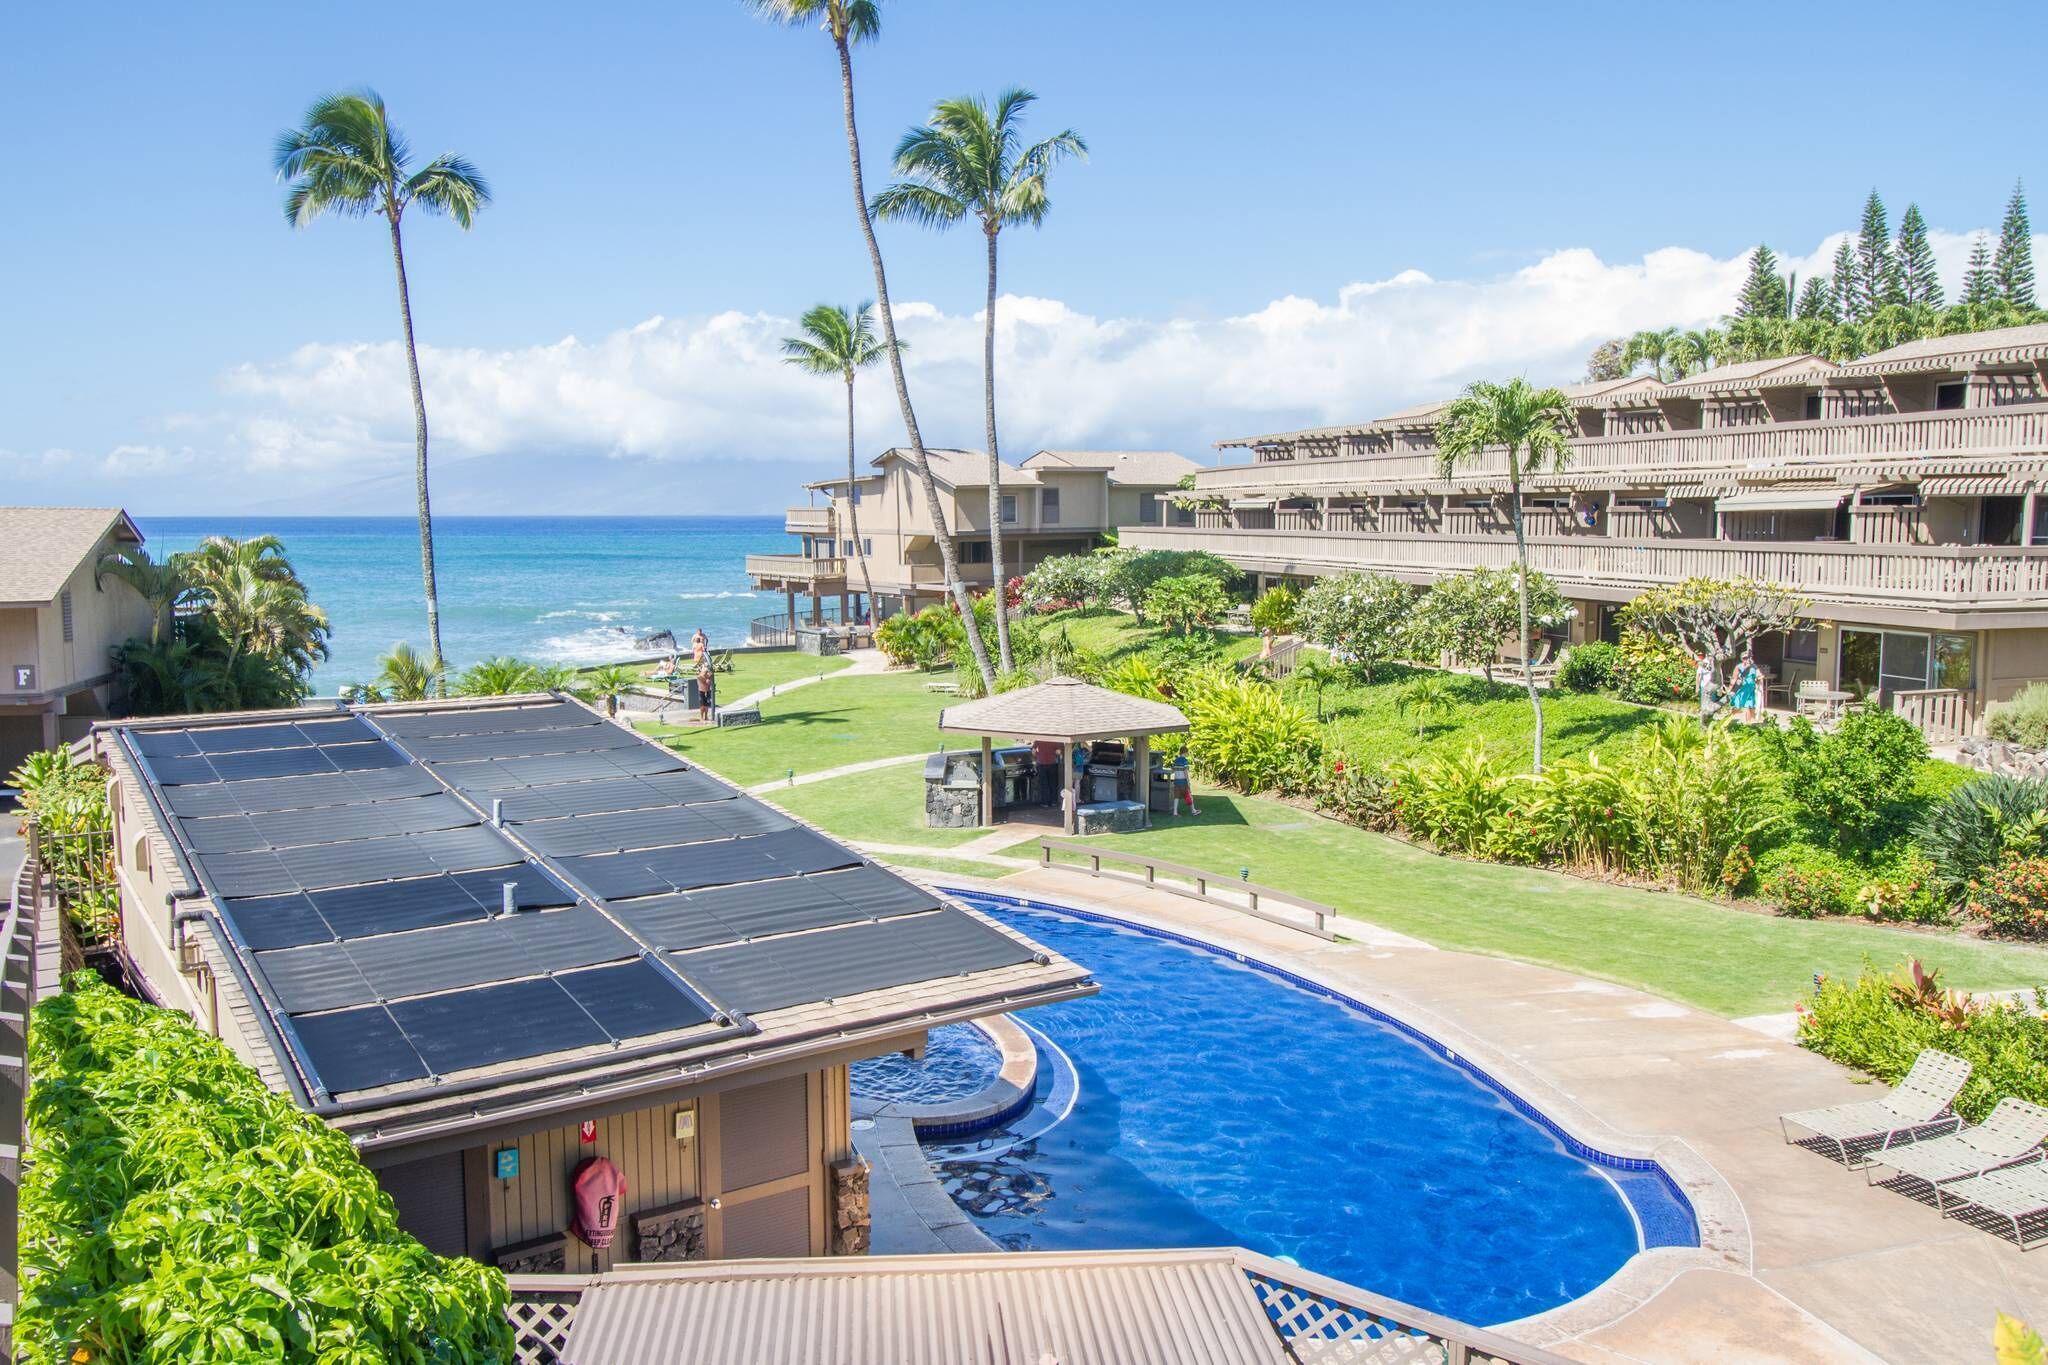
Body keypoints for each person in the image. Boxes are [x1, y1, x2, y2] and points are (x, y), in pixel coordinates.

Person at [1731, 649, 1761, 723]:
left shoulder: (1754, 667)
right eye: (1744, 658)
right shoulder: (1739, 667)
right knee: (1737, 706)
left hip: (1750, 689)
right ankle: (1730, 720)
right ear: (1742, 659)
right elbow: (1734, 678)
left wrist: (1758, 678)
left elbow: (1759, 675)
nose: (1746, 660)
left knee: (1749, 706)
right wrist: (1730, 689)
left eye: (1747, 658)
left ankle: (1748, 724)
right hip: (1740, 689)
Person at [1171, 748, 1198, 817]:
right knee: (1189, 795)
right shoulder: (1185, 760)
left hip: (1176, 781)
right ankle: (1193, 810)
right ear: (1185, 752)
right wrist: (1188, 781)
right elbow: (1185, 772)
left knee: (1176, 796)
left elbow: (1173, 770)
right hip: (1183, 781)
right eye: (1187, 752)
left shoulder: (1175, 760)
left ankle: (1175, 812)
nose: (1188, 754)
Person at [1695, 652, 1720, 727]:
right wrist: (1697, 687)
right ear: (1706, 655)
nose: (1710, 657)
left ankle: (1710, 720)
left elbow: (1719, 674)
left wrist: (1720, 687)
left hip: (1713, 686)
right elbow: (1698, 675)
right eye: (1709, 655)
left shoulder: (1715, 664)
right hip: (1705, 687)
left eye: (1711, 656)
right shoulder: (1703, 663)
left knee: (1712, 703)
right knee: (1704, 704)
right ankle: (1703, 722)